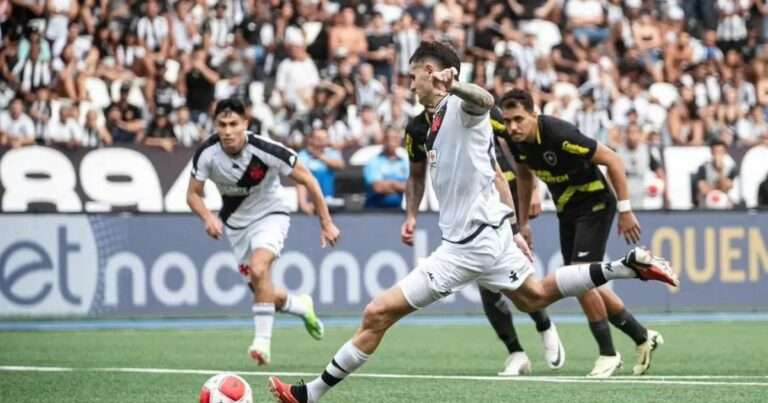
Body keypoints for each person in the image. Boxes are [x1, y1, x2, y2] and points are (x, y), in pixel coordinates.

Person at [268, 41, 677, 403]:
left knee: (378, 312)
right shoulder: (430, 123)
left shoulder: (460, 108)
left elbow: (482, 99)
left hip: (469, 246)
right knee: (534, 296)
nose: (410, 85)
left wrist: (455, 85)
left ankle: (310, 395)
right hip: (489, 237)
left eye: (414, 76)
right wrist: (514, 229)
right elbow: (490, 175)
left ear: (432, 74)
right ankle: (625, 266)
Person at [500, 88, 666, 377]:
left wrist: (626, 210)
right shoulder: (515, 141)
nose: (513, 127)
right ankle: (642, 337)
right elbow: (525, 176)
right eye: (508, 120)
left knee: (578, 276)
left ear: (533, 115)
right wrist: (523, 222)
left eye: (518, 119)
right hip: (568, 209)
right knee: (579, 281)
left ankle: (608, 354)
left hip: (596, 202)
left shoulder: (557, 133)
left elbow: (613, 159)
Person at [404, 106, 564, 376]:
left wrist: (532, 190)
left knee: (518, 281)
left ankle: (544, 324)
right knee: (488, 285)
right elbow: (416, 175)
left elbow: (518, 146)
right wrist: (411, 215)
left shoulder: (474, 110)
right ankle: (516, 351)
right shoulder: (417, 129)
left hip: (503, 195)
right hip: (470, 207)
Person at [186, 98, 341, 366]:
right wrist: (207, 217)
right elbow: (192, 195)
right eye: (222, 124)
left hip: (271, 215)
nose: (227, 131)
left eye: (234, 123)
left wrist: (326, 222)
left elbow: (308, 180)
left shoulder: (267, 150)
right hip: (236, 225)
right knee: (262, 289)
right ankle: (301, 305)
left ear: (245, 124)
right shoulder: (206, 153)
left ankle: (262, 343)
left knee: (260, 269)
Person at [363, 127, 409, 209]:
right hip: (375, 212)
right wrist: (398, 186)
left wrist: (389, 185)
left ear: (399, 141)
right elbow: (378, 188)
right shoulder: (373, 162)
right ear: (383, 140)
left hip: (399, 212)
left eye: (395, 138)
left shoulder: (405, 162)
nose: (392, 141)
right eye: (389, 138)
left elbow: (411, 187)